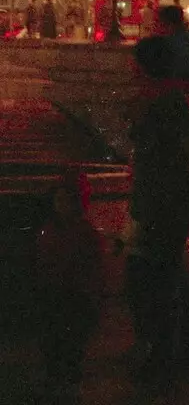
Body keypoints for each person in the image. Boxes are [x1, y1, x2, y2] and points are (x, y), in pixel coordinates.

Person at [125, 33, 189, 385]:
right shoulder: (170, 103)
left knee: (155, 281)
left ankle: (165, 357)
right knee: (168, 274)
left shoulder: (166, 106)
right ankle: (184, 346)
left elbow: (163, 162)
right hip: (170, 202)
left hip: (165, 204)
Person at [36, 170, 104, 400]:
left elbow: (93, 270)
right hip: (57, 295)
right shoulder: (51, 231)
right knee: (55, 343)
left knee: (71, 346)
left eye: (68, 200)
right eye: (59, 200)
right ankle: (58, 380)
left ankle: (67, 384)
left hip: (75, 297)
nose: (63, 205)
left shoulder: (84, 234)